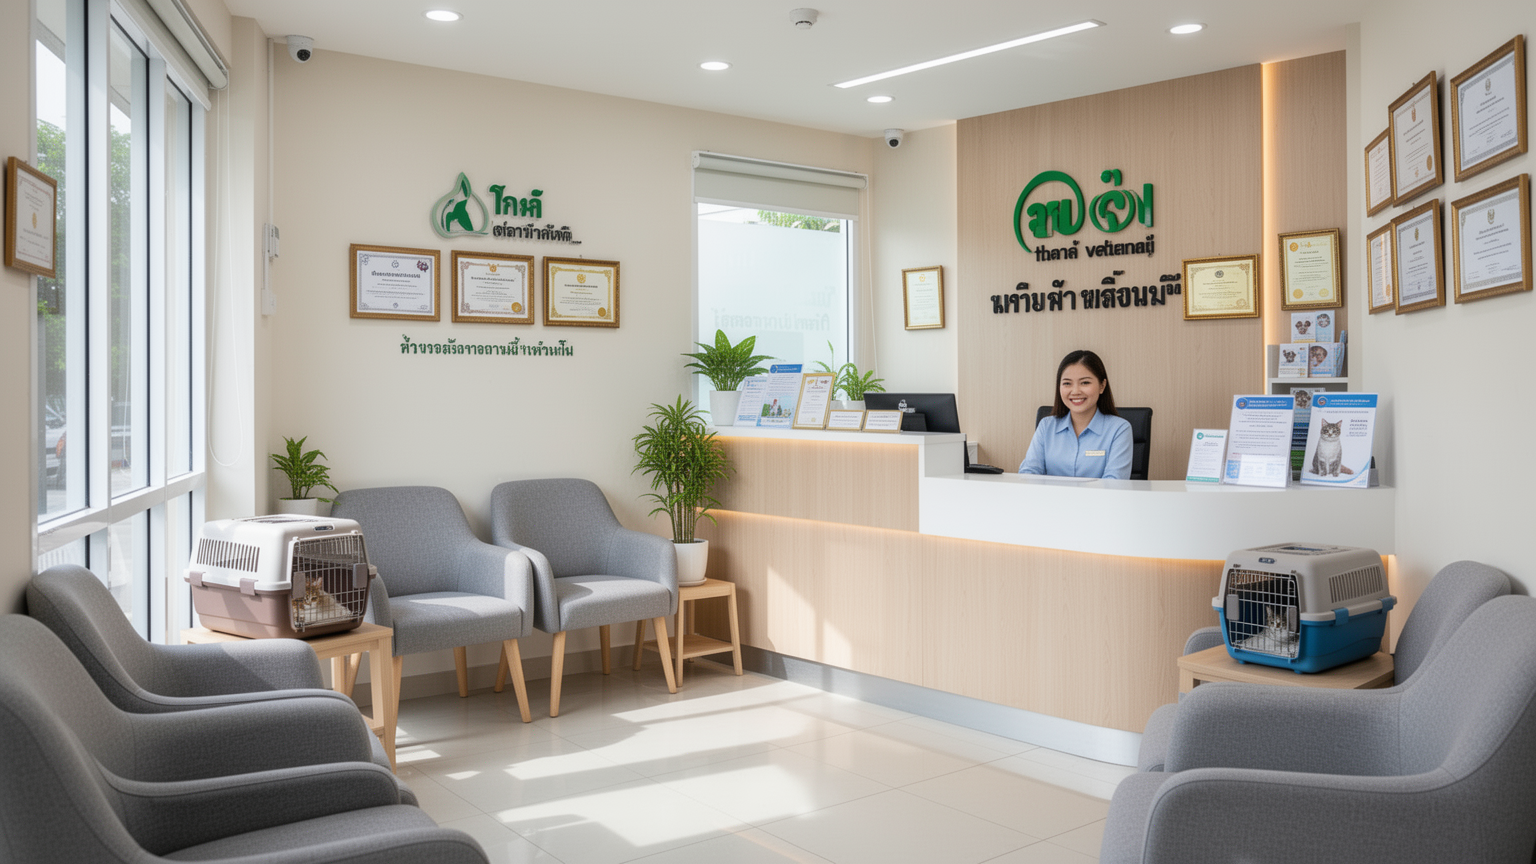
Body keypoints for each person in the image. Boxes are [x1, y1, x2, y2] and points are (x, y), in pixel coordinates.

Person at [1018, 349, 1133, 479]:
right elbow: (1029, 473)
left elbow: (1114, 483)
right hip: (1051, 499)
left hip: (1100, 500)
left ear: (1102, 385)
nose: (1075, 391)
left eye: (1085, 382)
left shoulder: (1119, 429)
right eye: (1067, 383)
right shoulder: (1046, 426)